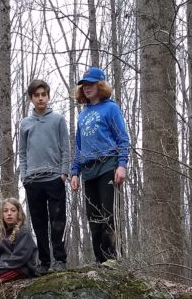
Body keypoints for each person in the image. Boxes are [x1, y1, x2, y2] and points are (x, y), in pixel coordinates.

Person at [69, 66, 130, 265]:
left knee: (107, 214)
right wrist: (75, 172)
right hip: (88, 169)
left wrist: (122, 164)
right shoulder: (83, 115)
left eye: (91, 84)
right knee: (93, 217)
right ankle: (99, 259)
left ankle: (111, 259)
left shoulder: (111, 108)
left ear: (100, 85)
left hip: (108, 165)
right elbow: (79, 146)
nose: (87, 88)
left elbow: (122, 138)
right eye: (84, 85)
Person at [19, 78, 71, 273]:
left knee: (57, 221)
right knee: (39, 224)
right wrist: (24, 176)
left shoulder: (58, 119)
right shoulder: (25, 123)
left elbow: (65, 148)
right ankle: (44, 262)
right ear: (31, 99)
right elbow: (22, 152)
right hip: (33, 180)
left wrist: (64, 172)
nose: (40, 98)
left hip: (54, 178)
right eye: (36, 95)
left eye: (43, 95)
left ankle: (60, 259)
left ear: (48, 97)